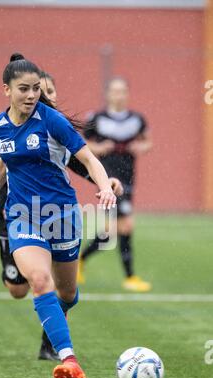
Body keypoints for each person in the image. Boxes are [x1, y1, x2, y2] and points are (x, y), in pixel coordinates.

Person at [0, 53, 116, 378]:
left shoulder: (51, 121)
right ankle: (68, 359)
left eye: (35, 89)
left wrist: (104, 188)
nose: (31, 95)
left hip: (61, 216)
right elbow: (6, 160)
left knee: (67, 292)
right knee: (39, 281)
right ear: (6, 89)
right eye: (24, 89)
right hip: (21, 216)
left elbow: (88, 159)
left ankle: (58, 322)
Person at [78, 77, 153, 292]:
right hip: (107, 179)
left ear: (127, 94)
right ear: (108, 94)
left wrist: (142, 147)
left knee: (112, 230)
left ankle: (80, 261)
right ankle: (130, 277)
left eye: (122, 91)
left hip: (128, 178)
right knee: (125, 226)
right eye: (114, 91)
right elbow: (83, 145)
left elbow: (148, 142)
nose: (118, 95)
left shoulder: (137, 119)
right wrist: (100, 148)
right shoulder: (97, 118)